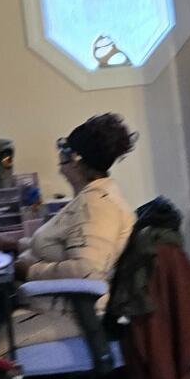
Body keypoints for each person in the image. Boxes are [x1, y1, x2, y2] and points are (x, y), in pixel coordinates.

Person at [13, 113, 138, 344]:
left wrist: (28, 272)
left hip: (71, 316)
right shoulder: (89, 196)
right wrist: (12, 245)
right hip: (55, 309)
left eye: (64, 153)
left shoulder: (97, 205)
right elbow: (62, 242)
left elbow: (86, 270)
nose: (60, 160)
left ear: (76, 160)